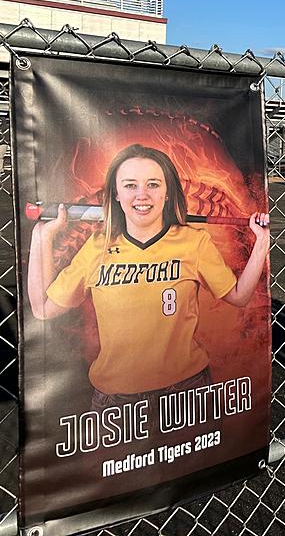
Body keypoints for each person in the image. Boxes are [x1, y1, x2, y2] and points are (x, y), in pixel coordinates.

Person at [27, 143, 269, 410]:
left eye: (153, 184)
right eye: (130, 185)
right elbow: (42, 308)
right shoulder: (97, 246)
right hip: (116, 400)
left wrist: (261, 243)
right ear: (116, 194)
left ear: (167, 193)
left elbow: (239, 296)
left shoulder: (193, 242)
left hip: (187, 390)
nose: (142, 195)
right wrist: (42, 237)